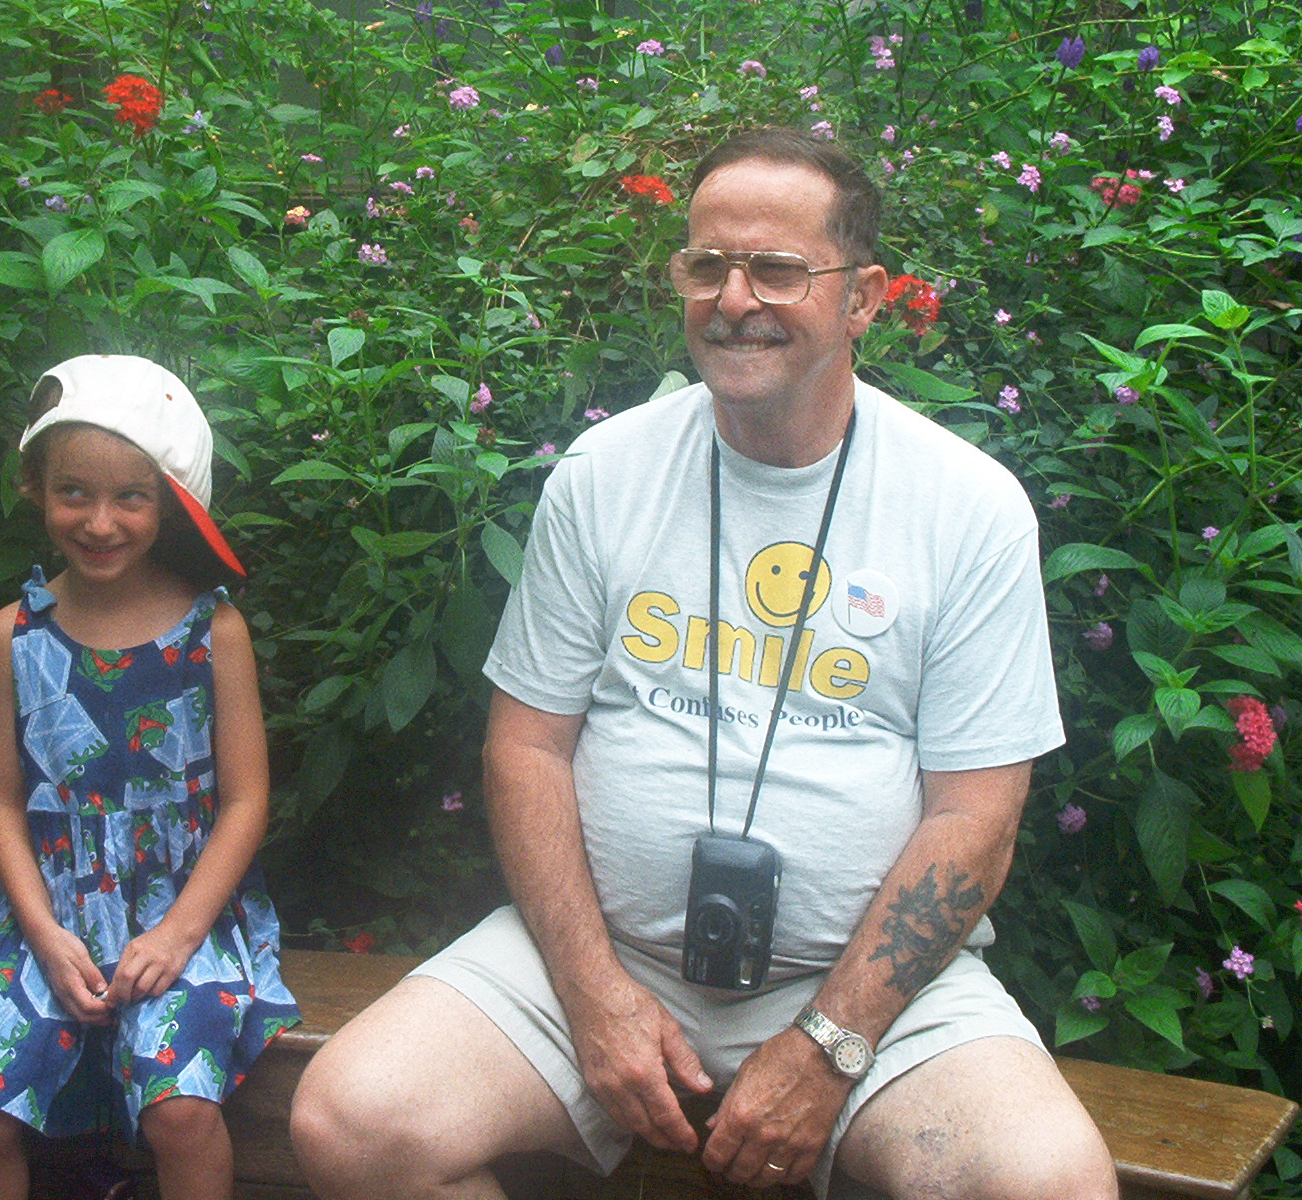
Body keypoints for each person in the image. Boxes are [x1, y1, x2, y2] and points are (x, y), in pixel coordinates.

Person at [290, 129, 1118, 1200]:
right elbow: (527, 747)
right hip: (604, 957)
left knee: (1050, 1187)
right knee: (351, 1123)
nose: (733, 299)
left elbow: (977, 817)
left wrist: (831, 1043)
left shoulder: (965, 508)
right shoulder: (605, 472)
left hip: (869, 996)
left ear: (864, 298)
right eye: (706, 264)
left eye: (776, 269)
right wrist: (594, 995)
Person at [0, 354, 299, 1200]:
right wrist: (44, 936)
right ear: (35, 487)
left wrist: (176, 937)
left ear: (170, 501)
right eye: (73, 492)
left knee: (181, 1110)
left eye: (130, 496)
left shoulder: (213, 631)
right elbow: (1, 801)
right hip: (42, 911)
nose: (100, 522)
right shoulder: (13, 635)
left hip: (183, 908)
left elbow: (247, 800)